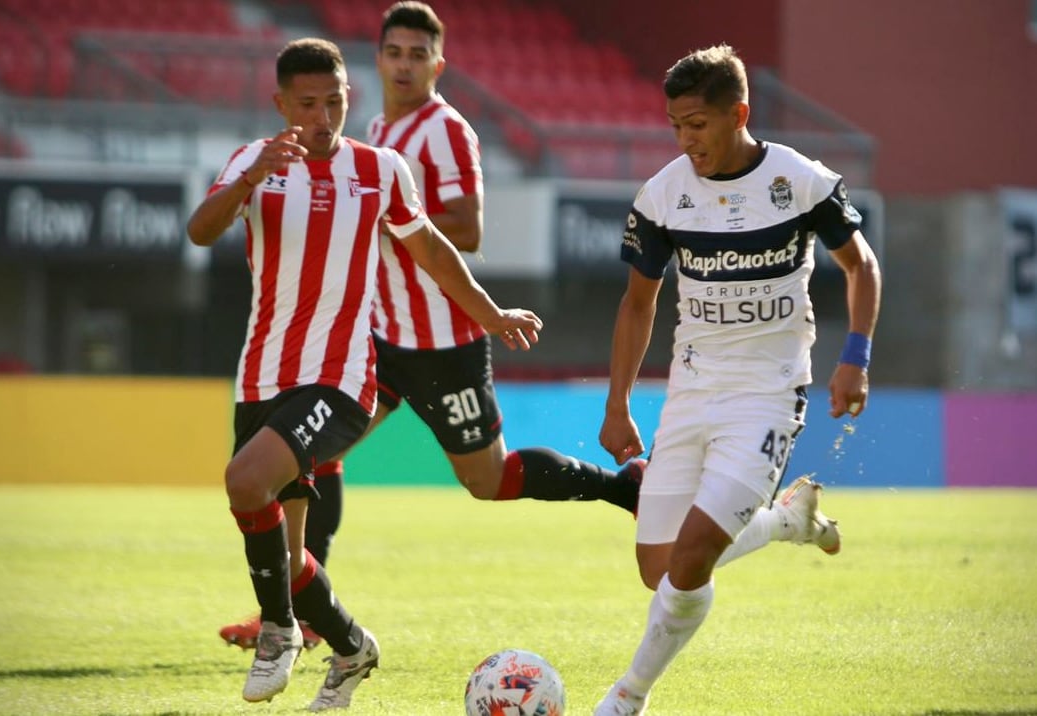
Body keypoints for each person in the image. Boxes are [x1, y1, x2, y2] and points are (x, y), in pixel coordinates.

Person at [218, 0, 649, 650]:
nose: (404, 65)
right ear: (377, 60)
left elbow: (468, 229)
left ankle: (623, 489)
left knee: (488, 480)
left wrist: (375, 221)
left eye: (418, 55)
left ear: (437, 65)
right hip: (380, 337)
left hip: (443, 343)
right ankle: (300, 609)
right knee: (311, 453)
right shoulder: (369, 130)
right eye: (394, 52)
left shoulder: (444, 130)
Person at [186, 37, 542, 710]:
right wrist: (250, 178)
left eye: (335, 101)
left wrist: (490, 314)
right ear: (281, 104)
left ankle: (278, 634)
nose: (323, 118)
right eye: (307, 105)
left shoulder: (380, 169)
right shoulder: (252, 163)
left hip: (341, 378)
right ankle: (352, 649)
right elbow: (201, 231)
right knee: (288, 552)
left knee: (244, 480)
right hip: (262, 378)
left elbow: (432, 248)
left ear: (350, 97)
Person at [593, 44, 881, 715]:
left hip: (769, 395)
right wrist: (617, 403)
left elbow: (860, 266)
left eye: (697, 124)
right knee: (659, 569)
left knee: (691, 558)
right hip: (692, 391)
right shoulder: (662, 195)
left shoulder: (800, 181)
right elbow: (638, 304)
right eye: (676, 125)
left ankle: (627, 698)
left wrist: (855, 356)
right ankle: (784, 523)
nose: (686, 139)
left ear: (739, 114)